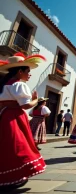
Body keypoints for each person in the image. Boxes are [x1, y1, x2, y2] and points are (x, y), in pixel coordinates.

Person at [0, 53, 46, 190]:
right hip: (15, 117)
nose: (29, 75)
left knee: (5, 145)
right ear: (20, 71)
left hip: (4, 116)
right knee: (18, 145)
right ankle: (16, 175)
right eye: (28, 72)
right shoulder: (19, 85)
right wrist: (36, 100)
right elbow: (25, 105)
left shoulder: (4, 85)